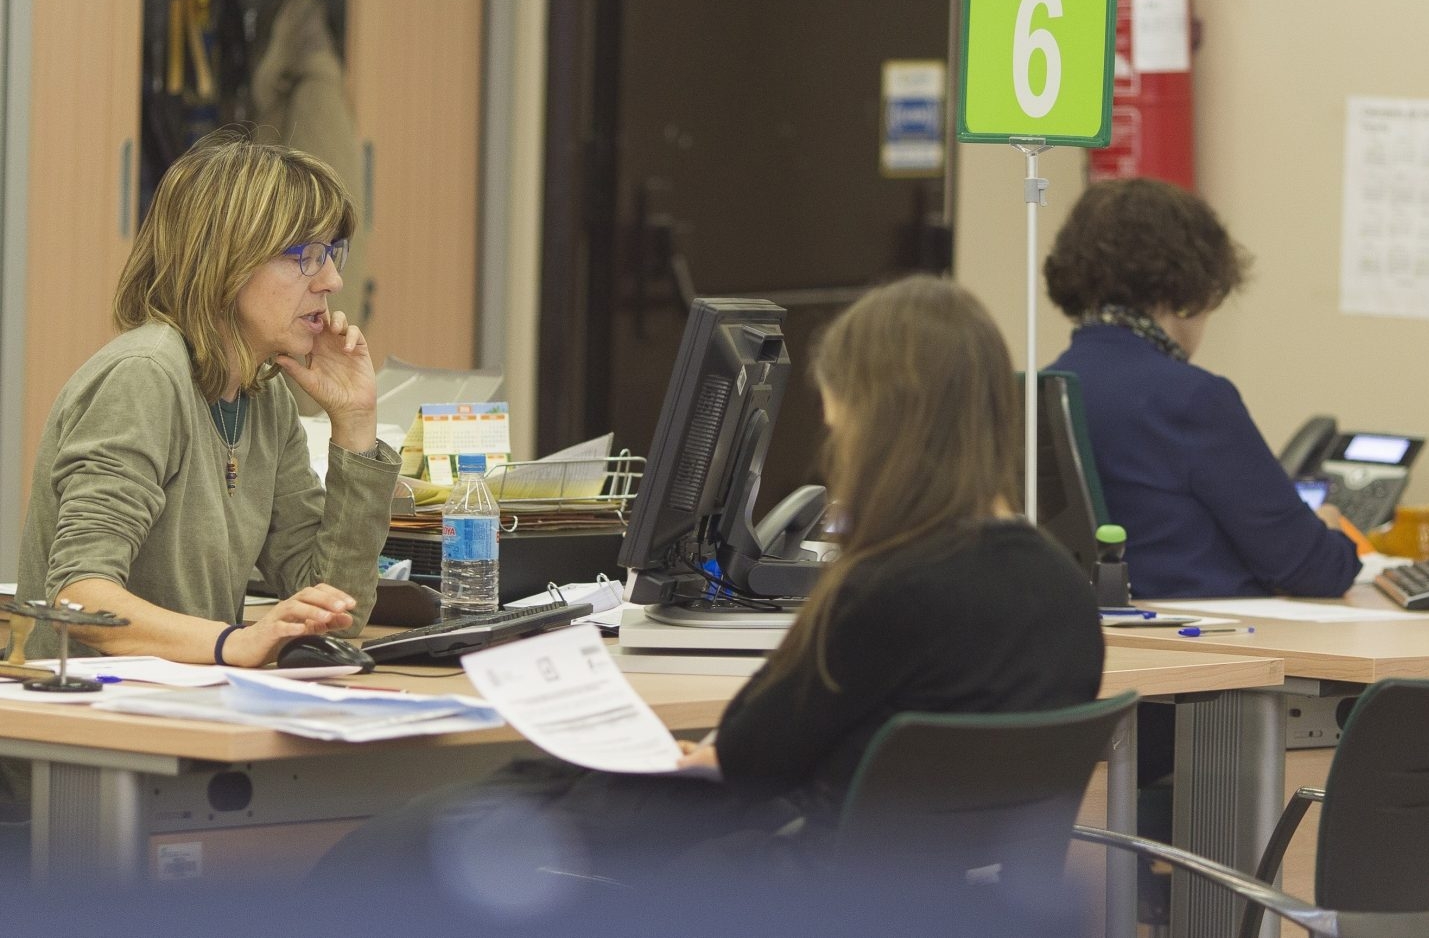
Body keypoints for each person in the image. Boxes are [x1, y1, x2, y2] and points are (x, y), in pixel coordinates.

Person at [312, 275, 1104, 929]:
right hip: (913, 905)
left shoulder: (885, 593)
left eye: (840, 412)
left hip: (776, 897)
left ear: (881, 421)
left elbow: (743, 759)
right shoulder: (1065, 593)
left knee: (384, 853)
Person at [9, 131, 401, 668]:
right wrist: (232, 642)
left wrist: (355, 425)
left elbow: (336, 610)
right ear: (228, 263)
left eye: (333, 253)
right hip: (94, 718)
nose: (332, 279)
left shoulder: (265, 395)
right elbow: (79, 597)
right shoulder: (144, 375)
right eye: (307, 256)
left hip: (197, 706)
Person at [1045, 177, 1360, 600]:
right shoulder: (1191, 398)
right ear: (1189, 288)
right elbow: (1316, 569)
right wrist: (1329, 526)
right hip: (1214, 644)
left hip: (1101, 643)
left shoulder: (1046, 388)